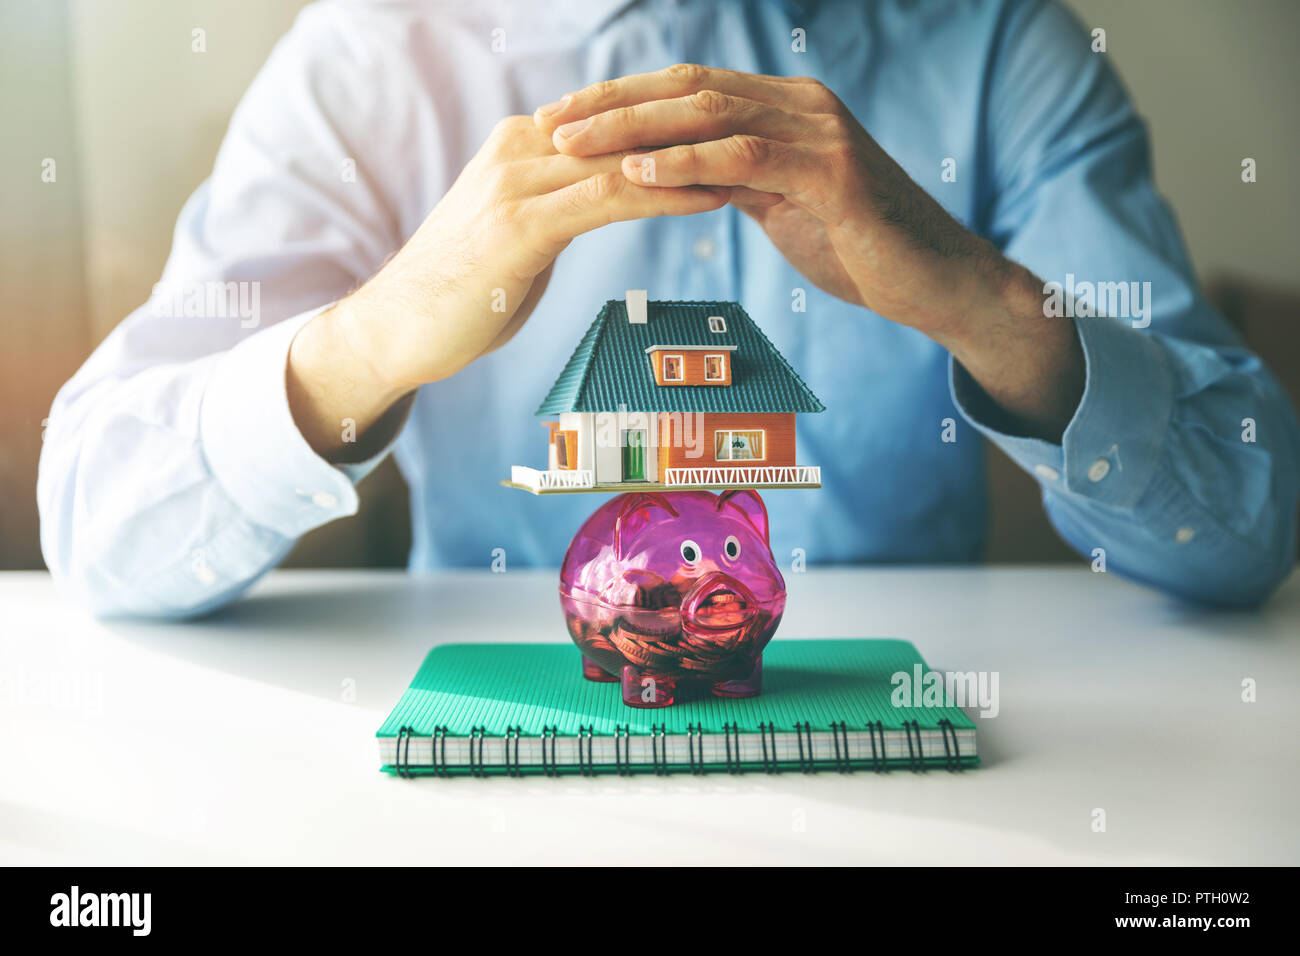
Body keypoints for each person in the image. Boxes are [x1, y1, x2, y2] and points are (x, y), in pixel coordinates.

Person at [37, 0, 1299, 617]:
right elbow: (96, 529)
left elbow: (1245, 535)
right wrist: (374, 335)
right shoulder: (371, 53)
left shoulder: (999, 41)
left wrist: (981, 300)